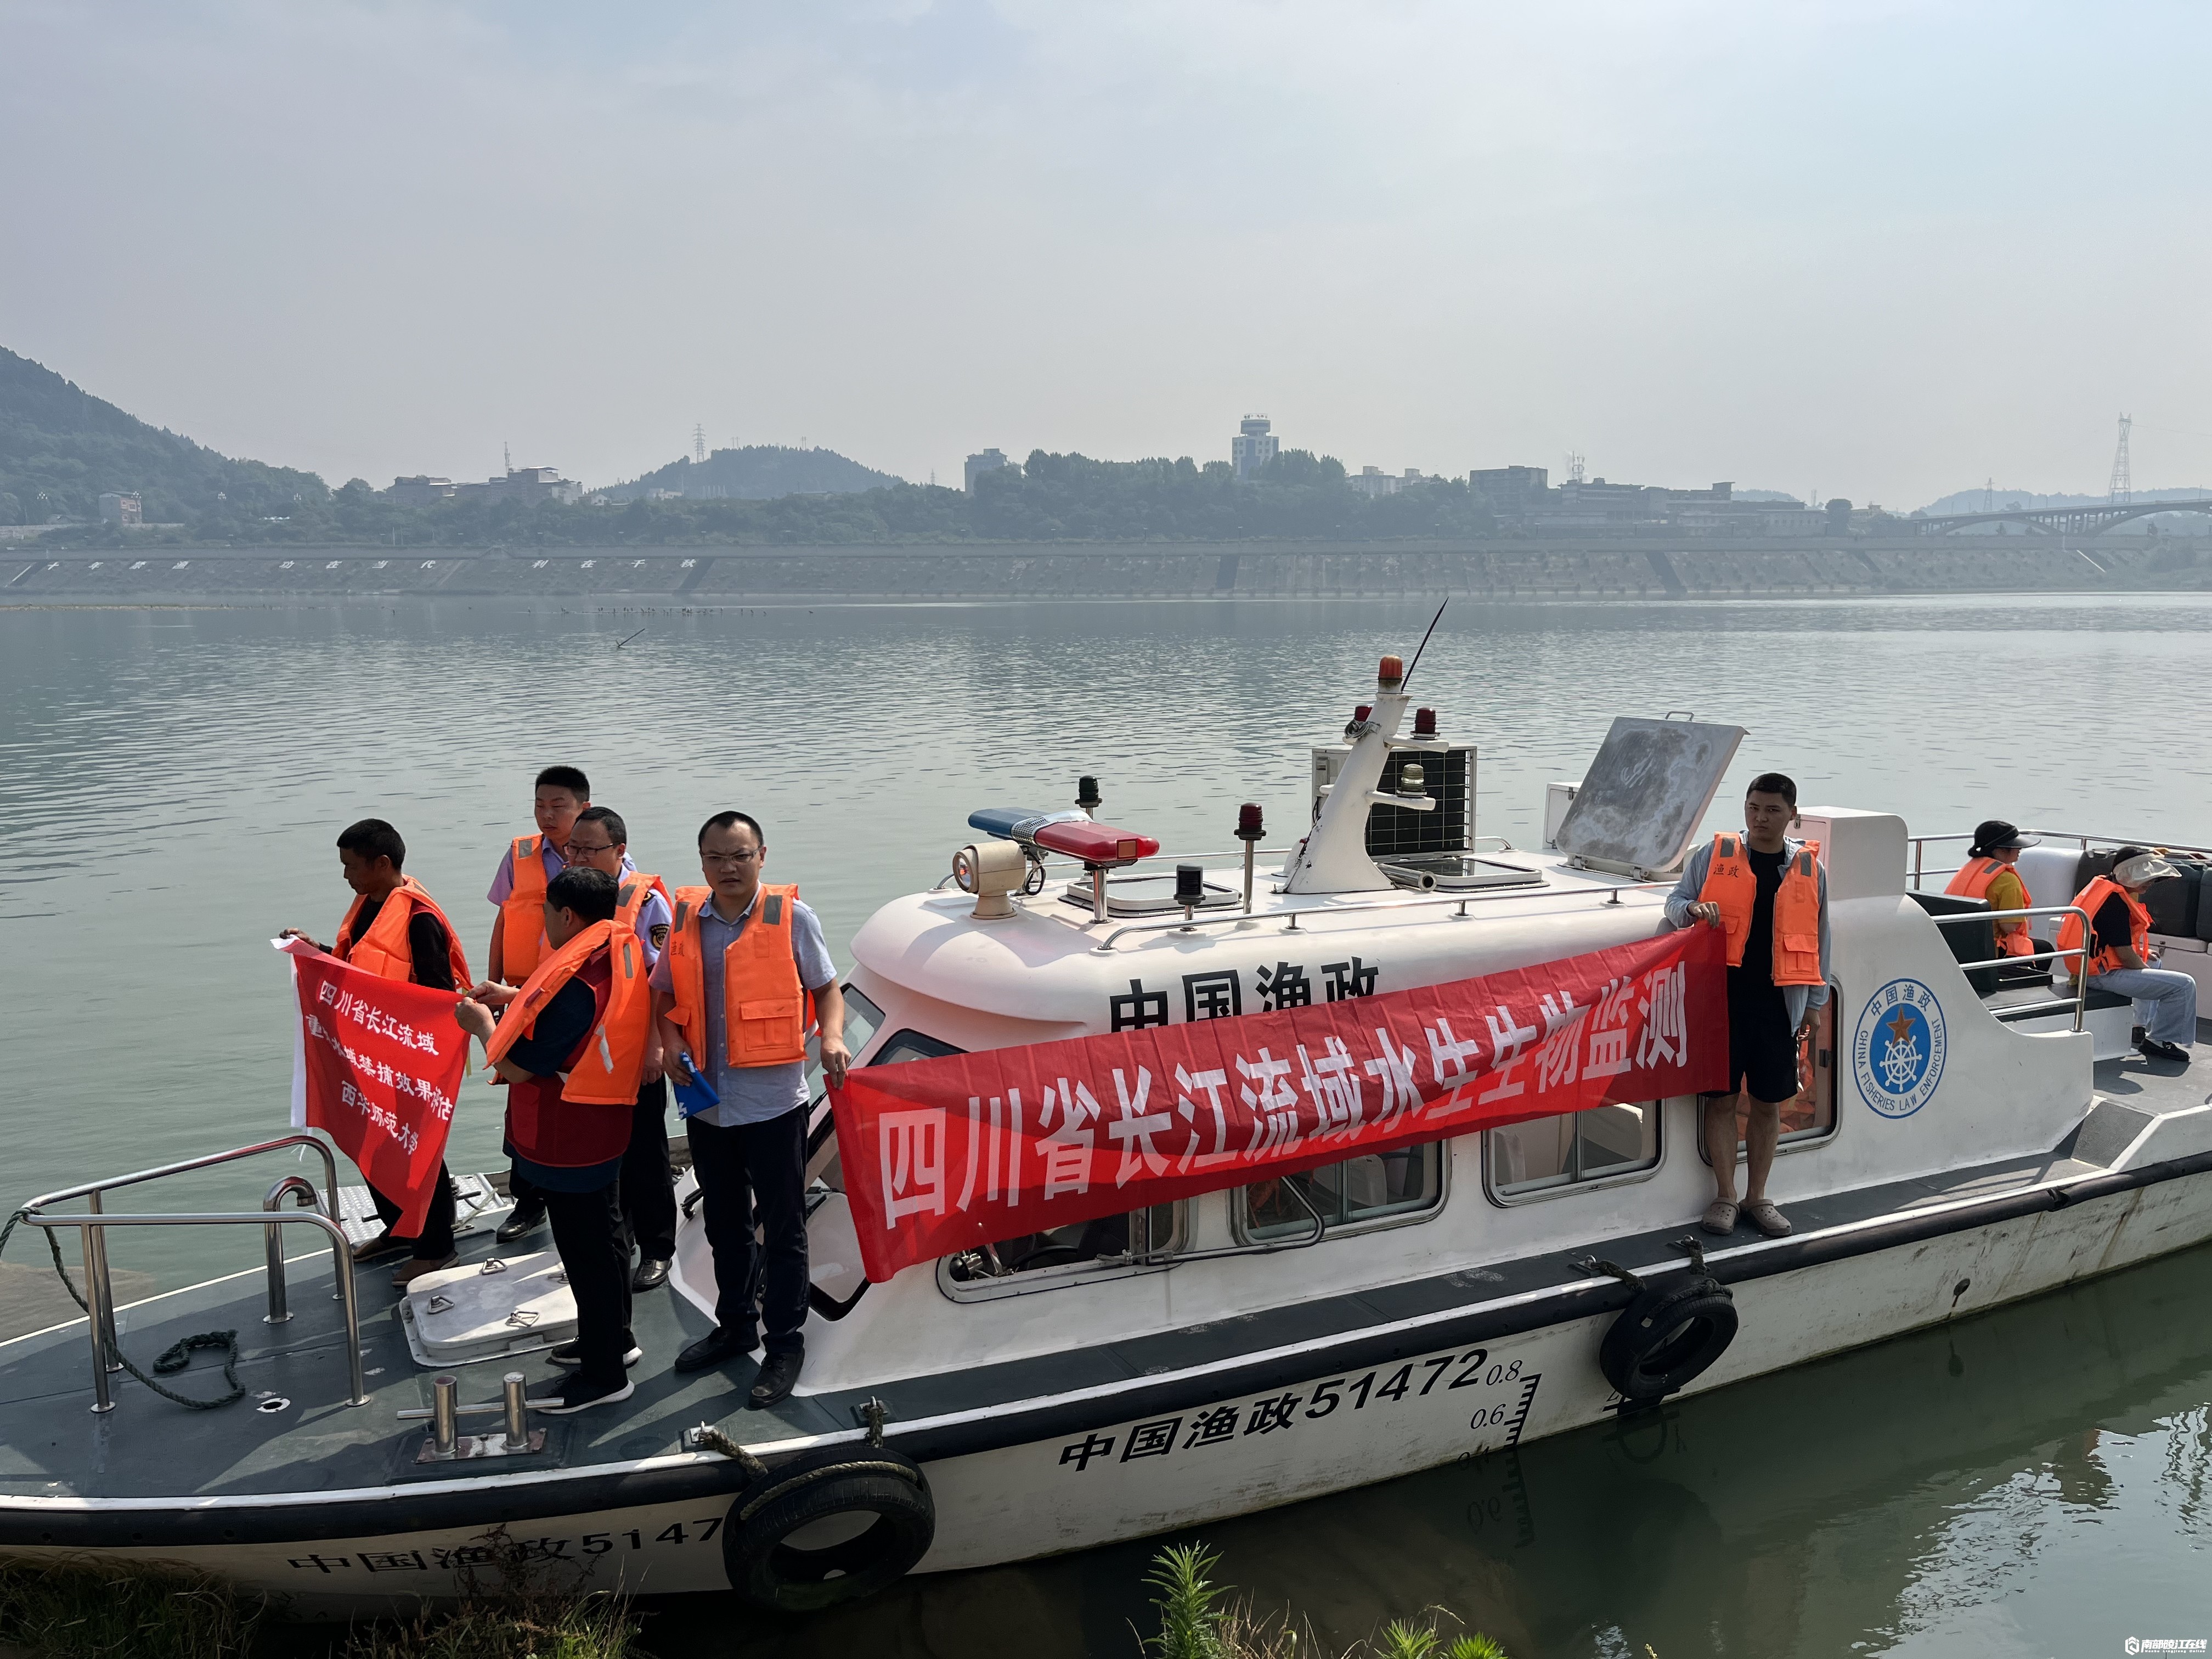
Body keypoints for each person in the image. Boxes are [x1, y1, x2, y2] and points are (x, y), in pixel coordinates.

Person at [650, 811, 850, 1409]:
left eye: (740, 855)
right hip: (708, 1104)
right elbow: (663, 992)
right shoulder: (687, 918)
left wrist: (834, 1037)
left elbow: (826, 989)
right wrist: (669, 1042)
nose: (728, 867)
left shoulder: (792, 918)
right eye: (716, 857)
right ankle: (735, 1325)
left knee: (784, 1228)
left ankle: (784, 1342)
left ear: (762, 856)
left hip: (772, 1105)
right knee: (724, 1222)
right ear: (703, 862)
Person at [453, 866, 651, 1414]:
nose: (542, 922)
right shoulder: (616, 950)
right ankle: (614, 1342)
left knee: (586, 1254)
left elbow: (517, 1066)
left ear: (566, 915)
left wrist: (479, 1023)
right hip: (606, 1125)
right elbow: (565, 1012)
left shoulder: (578, 981)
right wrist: (511, 995)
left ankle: (605, 1376)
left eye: (545, 912)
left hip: (571, 1139)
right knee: (609, 1239)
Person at [280, 820, 471, 1290]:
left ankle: (436, 1246)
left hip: (412, 1060)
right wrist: (315, 951)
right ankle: (399, 1230)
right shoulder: (370, 904)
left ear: (382, 864)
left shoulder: (420, 919)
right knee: (372, 1141)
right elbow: (359, 967)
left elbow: (438, 997)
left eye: (351, 867)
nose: (346, 878)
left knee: (415, 1148)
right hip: (373, 1057)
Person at [1664, 772, 1831, 1240]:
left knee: (1767, 1104)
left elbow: (1821, 940)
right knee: (1719, 1102)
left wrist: (1814, 1006)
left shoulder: (1809, 870)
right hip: (1721, 1000)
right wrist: (1692, 912)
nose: (1760, 818)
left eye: (1772, 810)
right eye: (1753, 807)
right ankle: (1724, 1195)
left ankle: (1758, 1197)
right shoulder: (1713, 856)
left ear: (1792, 815)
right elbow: (1674, 901)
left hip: (1780, 1006)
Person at [483, 766, 633, 1246]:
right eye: (540, 806)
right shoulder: (521, 856)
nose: (548, 816)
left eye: (559, 807)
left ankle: (627, 1228)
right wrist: (498, 987)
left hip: (581, 1004)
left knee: (572, 1114)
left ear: (583, 808)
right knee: (523, 1111)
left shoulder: (618, 873)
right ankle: (529, 1203)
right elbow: (505, 920)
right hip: (526, 997)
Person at [561, 804, 679, 1291]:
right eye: (574, 849)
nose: (580, 858)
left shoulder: (646, 902)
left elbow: (661, 983)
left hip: (636, 1046)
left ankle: (657, 1247)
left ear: (620, 850)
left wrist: (655, 1048)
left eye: (591, 849)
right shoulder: (576, 891)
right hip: (592, 1046)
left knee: (646, 1148)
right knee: (605, 1147)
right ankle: (621, 1236)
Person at [2057, 847, 2197, 1064]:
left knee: (2154, 960)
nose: (2151, 882)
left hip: (2088, 968)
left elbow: (2108, 941)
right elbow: (2124, 955)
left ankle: (2137, 1027)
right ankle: (2160, 1041)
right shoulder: (2115, 903)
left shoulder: (2104, 887)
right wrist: (2150, 975)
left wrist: (2146, 964)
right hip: (2100, 976)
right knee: (2183, 985)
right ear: (2128, 875)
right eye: (2147, 877)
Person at [1944, 820, 2039, 959]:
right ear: (2000, 850)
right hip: (1989, 951)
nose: (2020, 850)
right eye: (2015, 846)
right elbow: (2009, 927)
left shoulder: (1968, 869)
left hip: (1955, 946)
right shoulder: (2008, 879)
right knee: (2045, 950)